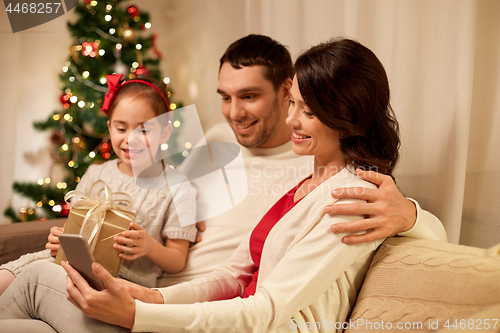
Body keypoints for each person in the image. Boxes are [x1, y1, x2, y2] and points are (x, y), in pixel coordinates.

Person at [1, 37, 420, 332]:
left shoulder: (339, 187)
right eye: (225, 96)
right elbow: (229, 266)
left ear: (285, 90)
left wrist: (412, 214)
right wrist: (140, 293)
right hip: (165, 296)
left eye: (251, 96)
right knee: (31, 289)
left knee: (38, 280)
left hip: (199, 314)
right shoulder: (219, 145)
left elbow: (264, 306)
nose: (234, 113)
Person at [0, 74, 197, 294]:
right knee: (13, 274)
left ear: (165, 133)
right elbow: (74, 227)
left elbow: (178, 259)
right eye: (121, 129)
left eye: (143, 130)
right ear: (110, 127)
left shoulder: (179, 188)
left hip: (122, 284)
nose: (130, 139)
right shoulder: (96, 173)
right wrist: (61, 239)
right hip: (73, 265)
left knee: (37, 280)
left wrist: (149, 247)